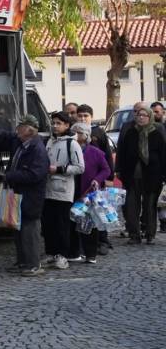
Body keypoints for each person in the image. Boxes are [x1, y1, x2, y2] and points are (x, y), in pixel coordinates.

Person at [0, 114, 49, 276]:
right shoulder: (20, 141)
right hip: (18, 194)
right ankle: (22, 262)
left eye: (20, 127)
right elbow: (4, 136)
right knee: (18, 228)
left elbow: (34, 175)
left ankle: (33, 264)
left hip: (31, 196)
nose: (17, 129)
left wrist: (9, 176)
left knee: (30, 231)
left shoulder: (37, 149)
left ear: (29, 130)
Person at [116, 102, 166, 244]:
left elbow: (163, 154)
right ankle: (134, 234)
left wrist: (164, 174)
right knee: (131, 205)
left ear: (149, 117)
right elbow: (123, 152)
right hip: (132, 174)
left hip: (153, 175)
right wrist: (119, 169)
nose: (141, 118)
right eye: (138, 115)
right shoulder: (130, 132)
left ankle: (150, 234)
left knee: (150, 205)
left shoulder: (156, 132)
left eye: (144, 115)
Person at [40, 111, 84, 269]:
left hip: (63, 190)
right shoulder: (49, 141)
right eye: (54, 123)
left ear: (67, 125)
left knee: (62, 225)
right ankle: (51, 252)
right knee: (48, 225)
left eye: (59, 123)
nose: (55, 126)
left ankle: (63, 255)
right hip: (47, 189)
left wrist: (59, 169)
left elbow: (80, 167)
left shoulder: (72, 144)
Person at [76, 104, 114, 253]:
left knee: (99, 211)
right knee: (82, 211)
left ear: (91, 117)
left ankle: (102, 241)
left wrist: (109, 177)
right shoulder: (75, 133)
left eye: (86, 116)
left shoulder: (98, 132)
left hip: (97, 179)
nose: (83, 118)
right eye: (80, 116)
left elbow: (107, 155)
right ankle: (82, 243)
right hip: (81, 180)